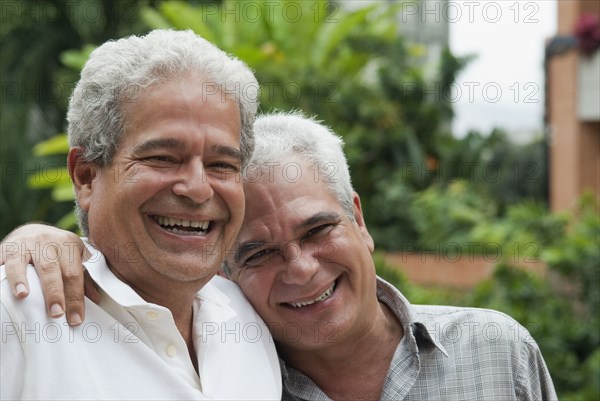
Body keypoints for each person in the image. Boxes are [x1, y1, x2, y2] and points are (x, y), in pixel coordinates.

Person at [2, 113, 557, 400]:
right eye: (259, 252)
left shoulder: (496, 351)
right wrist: (43, 239)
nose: (300, 267)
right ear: (222, 270)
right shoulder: (235, 381)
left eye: (318, 229)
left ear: (358, 219)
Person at [0, 29, 281, 400]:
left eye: (221, 164)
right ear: (85, 176)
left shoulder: (249, 314)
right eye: (162, 158)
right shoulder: (17, 314)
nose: (198, 188)